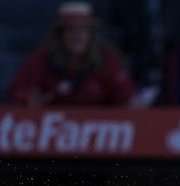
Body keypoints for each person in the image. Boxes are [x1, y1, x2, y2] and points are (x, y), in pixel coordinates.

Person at [8, 2, 138, 107]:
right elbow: (16, 90)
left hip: (99, 132)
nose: (77, 36)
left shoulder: (105, 59)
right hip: (54, 130)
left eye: (82, 30)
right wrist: (27, 99)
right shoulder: (43, 57)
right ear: (60, 35)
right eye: (70, 30)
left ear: (90, 35)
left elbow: (127, 97)